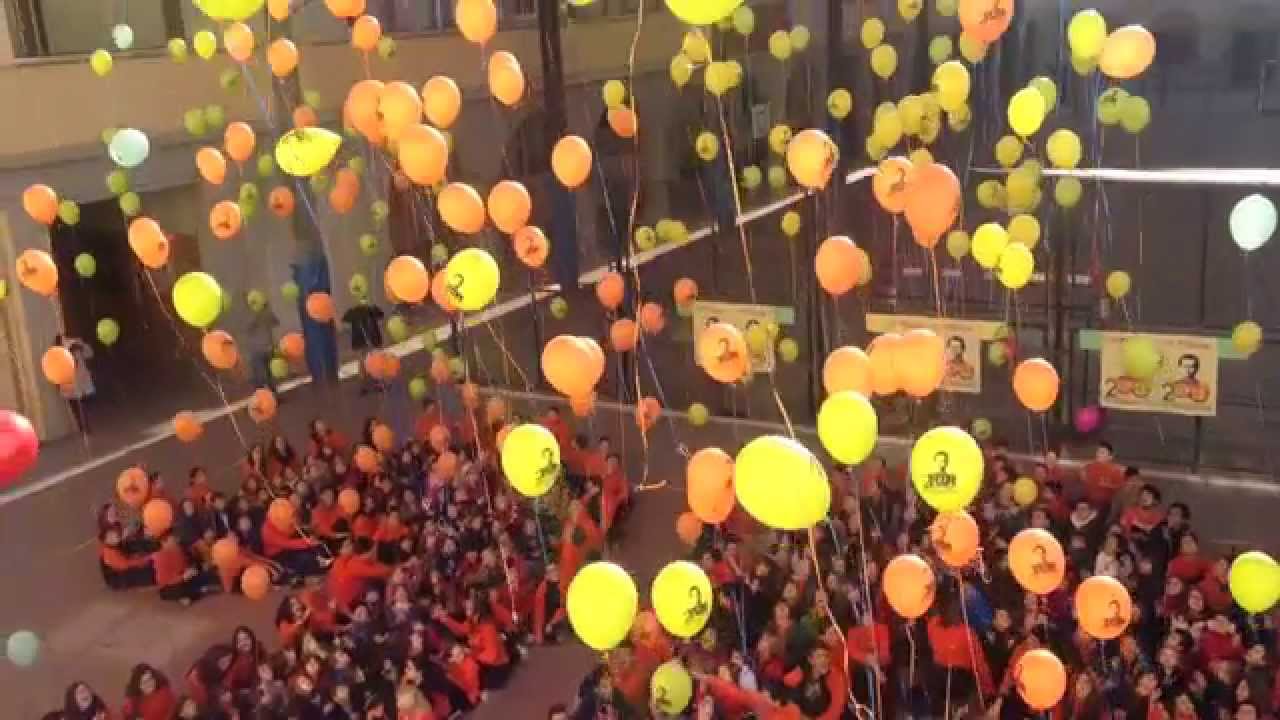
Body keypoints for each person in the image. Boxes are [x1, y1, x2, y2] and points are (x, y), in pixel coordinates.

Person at [341, 297, 385, 394]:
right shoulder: (356, 311)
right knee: (363, 363)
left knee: (372, 362)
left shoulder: (370, 310)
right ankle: (366, 385)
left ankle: (374, 384)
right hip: (362, 341)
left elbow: (381, 315)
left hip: (370, 340)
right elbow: (345, 319)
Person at [55, 334, 95, 434]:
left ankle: (86, 425)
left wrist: (81, 345)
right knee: (76, 408)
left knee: (84, 405)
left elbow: (89, 354)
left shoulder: (78, 350)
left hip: (82, 383)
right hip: (69, 385)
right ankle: (83, 426)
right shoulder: (60, 354)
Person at [244, 301, 279, 393]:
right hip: (258, 349)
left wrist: (266, 311)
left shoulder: (265, 313)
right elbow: (248, 329)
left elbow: (275, 322)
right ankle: (263, 396)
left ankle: (272, 395)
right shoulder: (250, 316)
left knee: (267, 373)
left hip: (265, 348)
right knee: (261, 375)